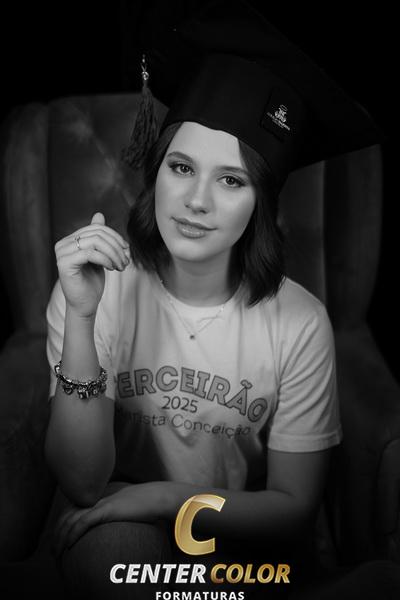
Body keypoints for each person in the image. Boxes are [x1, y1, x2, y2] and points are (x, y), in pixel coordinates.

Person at [44, 1, 386, 598]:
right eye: (181, 167)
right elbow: (82, 483)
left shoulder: (301, 321)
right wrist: (80, 315)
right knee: (116, 561)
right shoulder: (97, 286)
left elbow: (291, 508)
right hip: (118, 528)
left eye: (231, 179)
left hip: (237, 533)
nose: (197, 200)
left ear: (261, 203)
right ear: (157, 174)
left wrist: (161, 499)